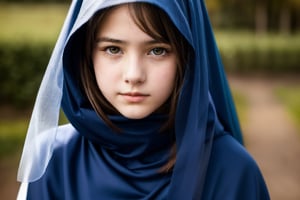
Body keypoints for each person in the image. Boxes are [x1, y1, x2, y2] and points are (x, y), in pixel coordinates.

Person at [17, 0, 270, 199]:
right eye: (113, 49)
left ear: (188, 57)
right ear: (84, 54)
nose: (134, 75)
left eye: (157, 50)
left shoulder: (233, 171)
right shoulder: (52, 161)